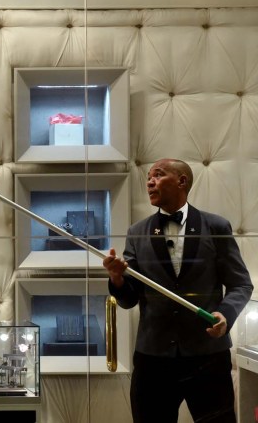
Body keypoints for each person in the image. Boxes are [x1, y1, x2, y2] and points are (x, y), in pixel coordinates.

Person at [102, 158, 253, 423]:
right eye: (148, 177)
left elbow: (241, 283)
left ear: (182, 181)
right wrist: (117, 279)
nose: (149, 182)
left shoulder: (216, 226)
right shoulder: (137, 233)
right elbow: (128, 299)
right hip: (153, 359)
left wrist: (226, 315)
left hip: (208, 356)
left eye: (158, 175)